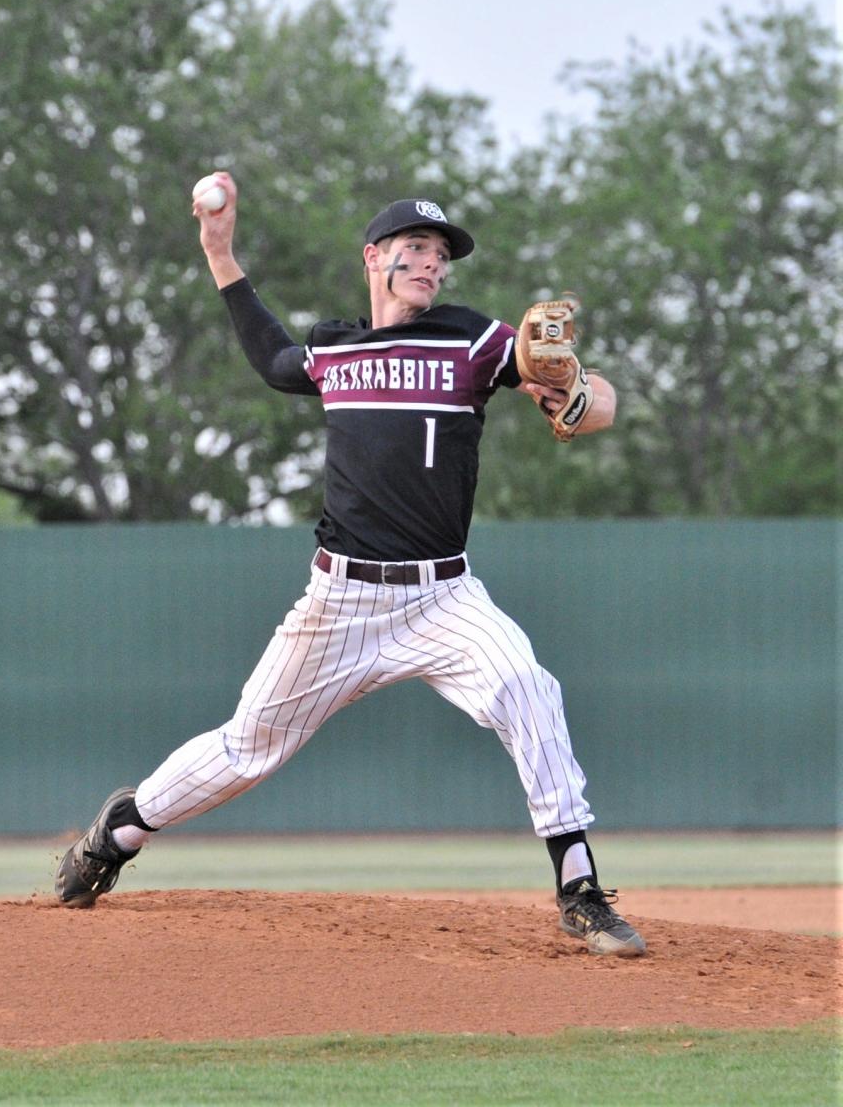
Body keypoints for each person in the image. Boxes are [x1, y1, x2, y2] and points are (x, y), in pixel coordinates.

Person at [55, 174, 646, 957]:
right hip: (339, 603)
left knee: (528, 687)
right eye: (416, 250)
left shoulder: (473, 341)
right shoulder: (338, 349)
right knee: (244, 750)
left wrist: (577, 393)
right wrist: (219, 252)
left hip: (445, 597)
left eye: (441, 254)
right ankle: (122, 829)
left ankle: (578, 890)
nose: (433, 265)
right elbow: (271, 357)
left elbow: (597, 400)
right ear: (375, 257)